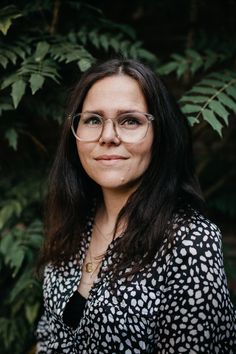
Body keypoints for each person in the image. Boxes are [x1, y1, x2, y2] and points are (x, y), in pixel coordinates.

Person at [36, 58, 236, 354]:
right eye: (93, 119)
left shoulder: (190, 242)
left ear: (161, 135)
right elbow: (50, 333)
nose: (107, 137)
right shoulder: (73, 219)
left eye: (130, 120)